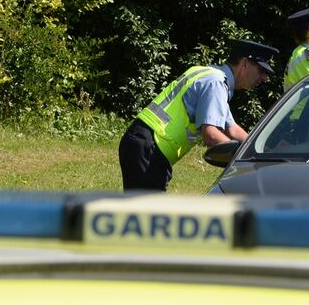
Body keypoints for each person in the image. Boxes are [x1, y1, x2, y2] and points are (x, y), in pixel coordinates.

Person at [119, 39, 278, 191]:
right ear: (244, 64)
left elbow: (232, 129)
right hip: (150, 147)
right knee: (149, 215)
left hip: (143, 143)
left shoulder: (209, 74)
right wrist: (245, 160)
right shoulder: (216, 83)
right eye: (261, 70)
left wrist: (261, 150)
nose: (264, 78)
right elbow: (211, 135)